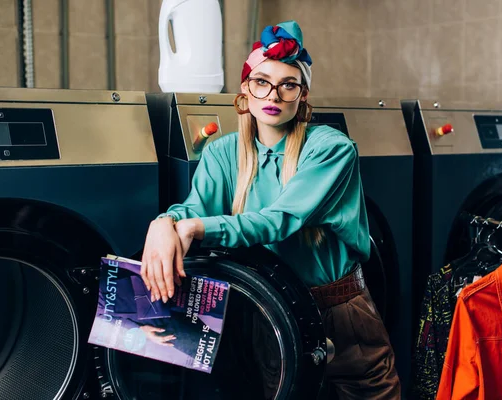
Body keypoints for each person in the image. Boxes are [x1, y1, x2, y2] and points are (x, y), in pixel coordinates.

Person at [141, 20, 400, 399]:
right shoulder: (222, 153)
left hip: (341, 314)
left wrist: (191, 226)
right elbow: (195, 209)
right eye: (262, 81)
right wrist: (165, 222)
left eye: (288, 84)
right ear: (245, 89)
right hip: (269, 312)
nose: (273, 94)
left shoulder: (331, 148)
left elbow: (282, 219)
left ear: (303, 94)